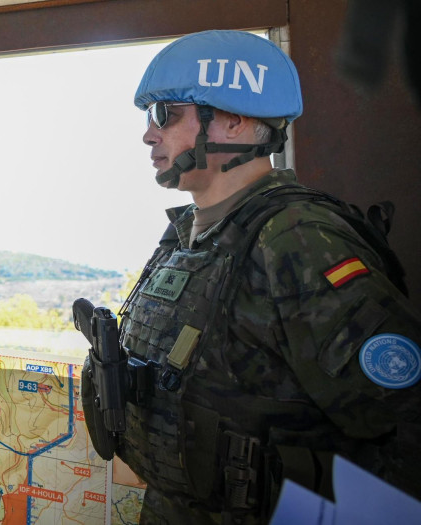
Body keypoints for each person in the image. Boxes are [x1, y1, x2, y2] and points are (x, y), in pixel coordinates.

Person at [82, 29, 421, 524]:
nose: (149, 134)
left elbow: (404, 420)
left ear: (233, 124)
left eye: (166, 115)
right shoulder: (185, 236)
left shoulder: (297, 240)